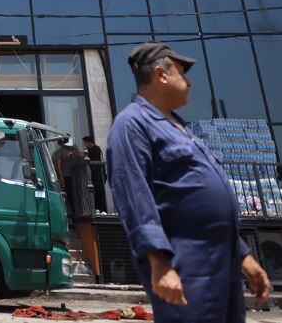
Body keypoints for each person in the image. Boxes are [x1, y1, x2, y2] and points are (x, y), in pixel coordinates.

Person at [108, 42, 271, 322]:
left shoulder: (179, 127)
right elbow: (133, 195)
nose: (189, 81)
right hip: (186, 260)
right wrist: (159, 262)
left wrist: (244, 257)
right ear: (161, 74)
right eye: (181, 73)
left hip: (223, 260)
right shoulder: (132, 124)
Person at [82, 135, 108, 213]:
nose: (84, 145)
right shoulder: (95, 149)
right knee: (96, 192)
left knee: (99, 192)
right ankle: (99, 209)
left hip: (98, 174)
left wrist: (74, 154)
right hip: (97, 174)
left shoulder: (94, 149)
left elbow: (84, 155)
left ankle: (101, 210)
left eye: (85, 143)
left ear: (89, 142)